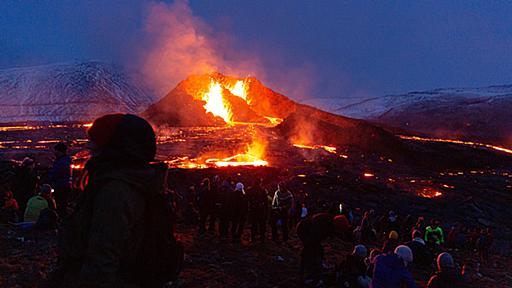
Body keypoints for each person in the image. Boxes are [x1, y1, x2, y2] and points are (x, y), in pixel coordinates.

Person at [51, 114, 181, 287]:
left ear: (114, 146)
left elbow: (102, 259)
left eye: (95, 141)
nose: (89, 146)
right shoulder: (133, 182)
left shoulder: (116, 191)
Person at [297, 213, 344, 286]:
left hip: (309, 231)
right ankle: (305, 271)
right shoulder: (322, 224)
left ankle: (315, 266)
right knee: (309, 250)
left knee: (316, 249)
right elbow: (313, 238)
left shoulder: (329, 223)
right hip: (303, 230)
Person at [47, 142, 72, 215]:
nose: (54, 153)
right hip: (63, 186)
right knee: (62, 204)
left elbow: (56, 173)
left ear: (59, 151)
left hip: (60, 186)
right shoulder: (65, 160)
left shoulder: (61, 162)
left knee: (60, 205)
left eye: (56, 151)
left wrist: (49, 177)